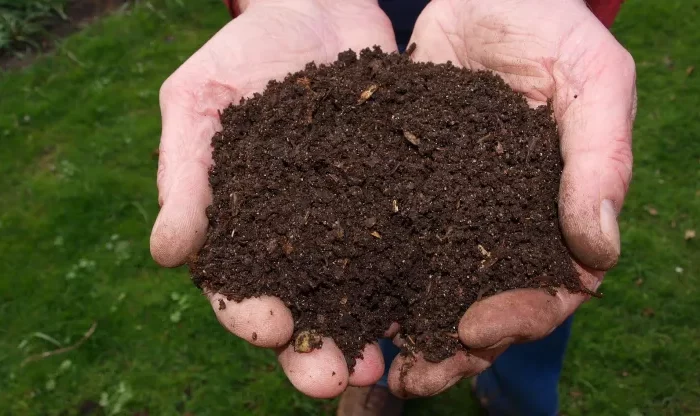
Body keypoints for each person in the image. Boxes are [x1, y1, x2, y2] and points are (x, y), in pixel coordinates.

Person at [150, 0, 636, 414]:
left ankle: (515, 398)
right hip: (338, 17)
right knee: (369, 292)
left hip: (495, 29)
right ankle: (377, 382)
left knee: (526, 305)